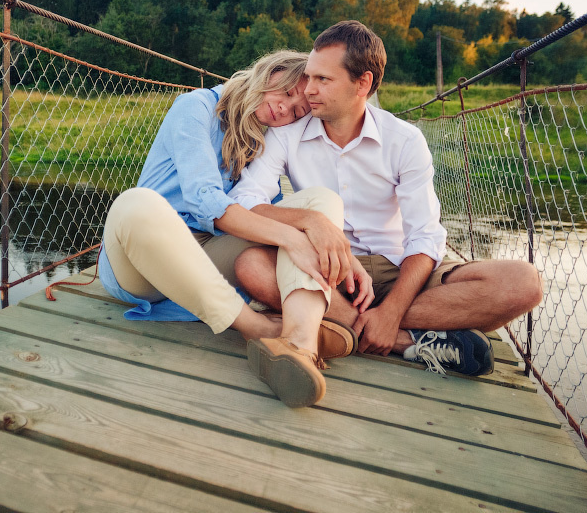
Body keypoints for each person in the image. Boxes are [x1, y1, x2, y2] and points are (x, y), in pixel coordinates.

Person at [230, 21, 543, 376]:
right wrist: (310, 222)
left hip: (399, 269)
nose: (307, 91)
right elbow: (246, 201)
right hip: (331, 268)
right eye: (309, 77)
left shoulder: (404, 141)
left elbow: (424, 236)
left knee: (523, 283)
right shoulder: (287, 135)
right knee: (252, 266)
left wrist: (391, 310)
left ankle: (348, 327)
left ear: (362, 83)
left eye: (323, 80)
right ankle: (409, 342)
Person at [97, 50, 374, 408]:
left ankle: (298, 345)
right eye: (287, 93)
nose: (284, 110)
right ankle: (260, 329)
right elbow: (204, 201)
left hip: (208, 254)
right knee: (135, 204)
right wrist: (293, 235)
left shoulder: (262, 138)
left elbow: (264, 209)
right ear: (271, 72)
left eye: (297, 111)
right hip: (144, 268)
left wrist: (331, 240)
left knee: (319, 202)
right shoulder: (196, 107)